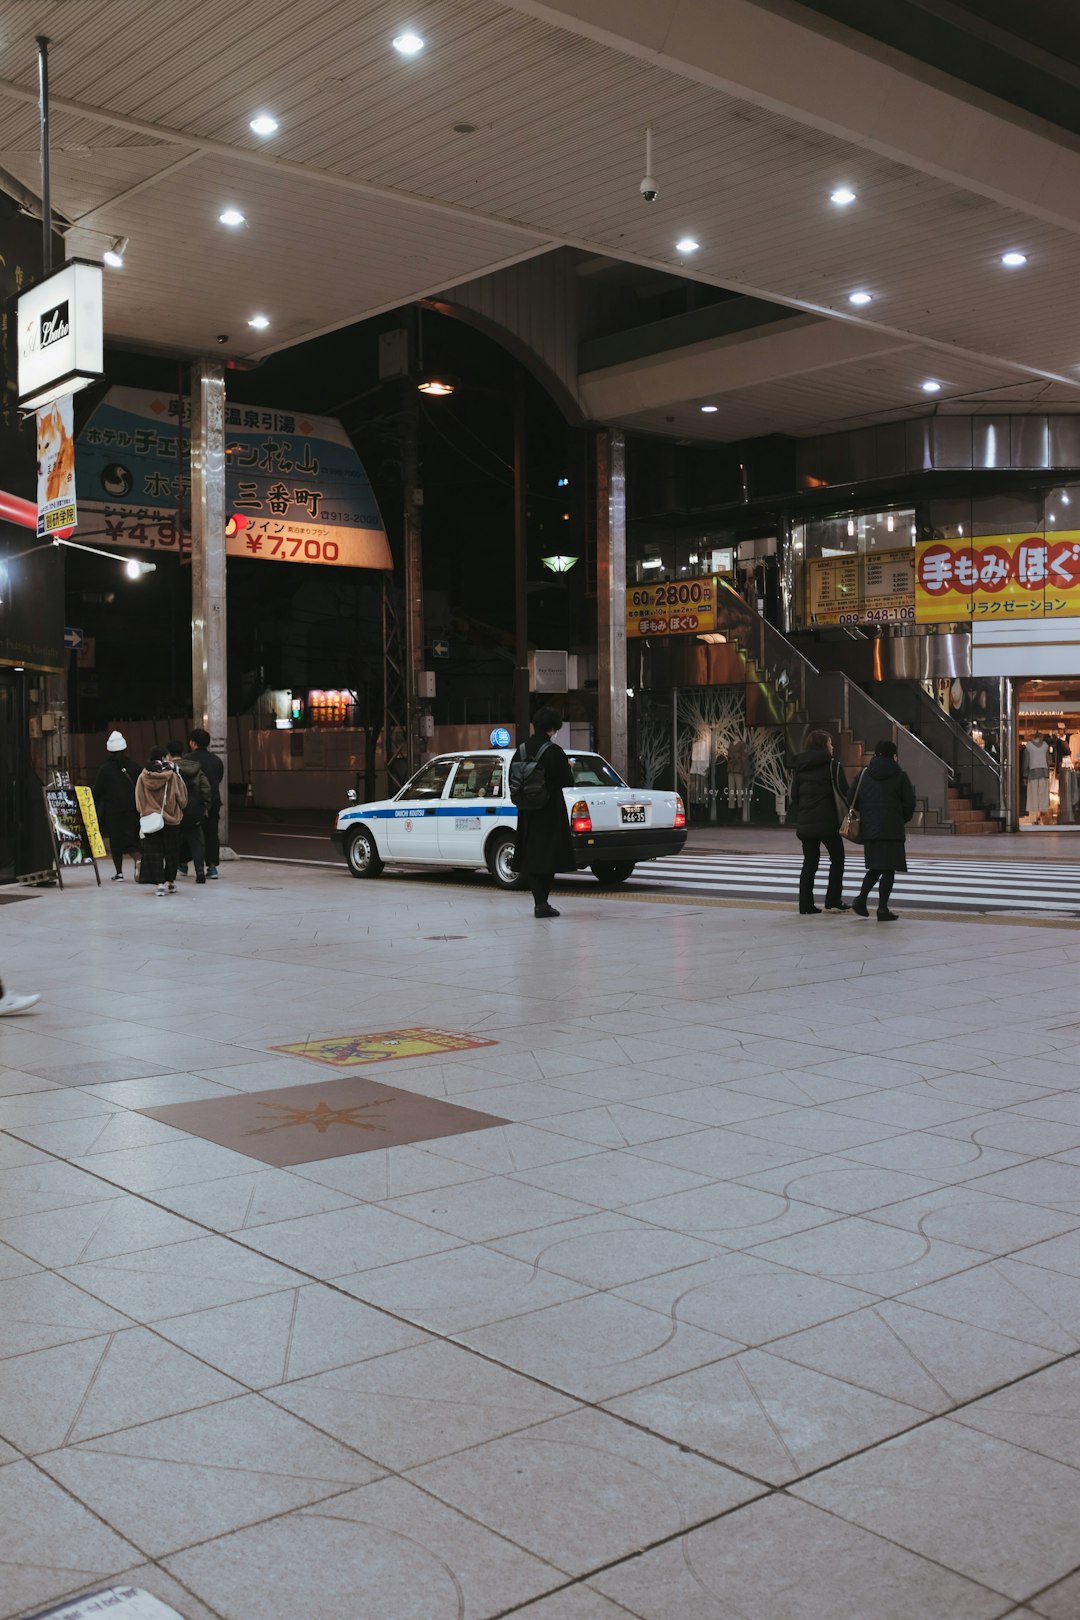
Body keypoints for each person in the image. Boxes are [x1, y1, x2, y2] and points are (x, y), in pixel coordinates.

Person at [511, 705, 574, 918]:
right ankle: (543, 903)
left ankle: (539, 902)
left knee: (532, 856)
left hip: (527, 811)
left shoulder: (520, 750)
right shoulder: (553, 751)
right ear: (553, 728)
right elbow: (566, 780)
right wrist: (568, 766)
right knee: (548, 857)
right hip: (549, 810)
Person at [852, 739, 917, 921]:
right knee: (888, 869)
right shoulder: (900, 775)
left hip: (870, 828)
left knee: (875, 867)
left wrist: (867, 813)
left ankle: (861, 899)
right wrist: (901, 818)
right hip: (892, 829)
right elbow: (909, 804)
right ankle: (882, 908)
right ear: (893, 756)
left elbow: (852, 797)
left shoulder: (864, 774)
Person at [790, 727, 849, 915]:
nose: (833, 748)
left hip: (806, 823)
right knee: (838, 859)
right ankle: (833, 899)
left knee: (810, 863)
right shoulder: (833, 766)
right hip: (828, 823)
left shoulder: (801, 767)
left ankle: (805, 904)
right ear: (824, 746)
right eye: (831, 744)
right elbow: (844, 794)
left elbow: (795, 796)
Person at [135, 746, 187, 896]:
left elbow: (139, 801)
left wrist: (146, 810)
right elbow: (182, 800)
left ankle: (159, 885)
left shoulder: (143, 776)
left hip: (151, 820)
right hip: (171, 819)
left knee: (154, 852)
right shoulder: (172, 776)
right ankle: (170, 882)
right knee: (171, 852)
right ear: (164, 758)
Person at [92, 730, 141, 881]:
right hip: (133, 810)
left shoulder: (105, 769)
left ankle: (119, 873)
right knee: (132, 839)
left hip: (113, 811)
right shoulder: (134, 766)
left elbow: (97, 791)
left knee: (116, 841)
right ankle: (138, 860)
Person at [168, 739, 211, 883]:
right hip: (194, 810)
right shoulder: (196, 768)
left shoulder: (169, 770)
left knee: (173, 842)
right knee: (196, 841)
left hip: (176, 811)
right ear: (182, 752)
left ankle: (172, 873)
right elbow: (206, 789)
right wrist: (204, 805)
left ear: (168, 754)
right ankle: (200, 870)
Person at [183, 728, 224, 878]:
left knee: (189, 834)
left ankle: (183, 863)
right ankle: (212, 867)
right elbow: (218, 778)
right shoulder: (216, 760)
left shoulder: (187, 759)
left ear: (193, 743)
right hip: (213, 801)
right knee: (211, 834)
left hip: (193, 804)